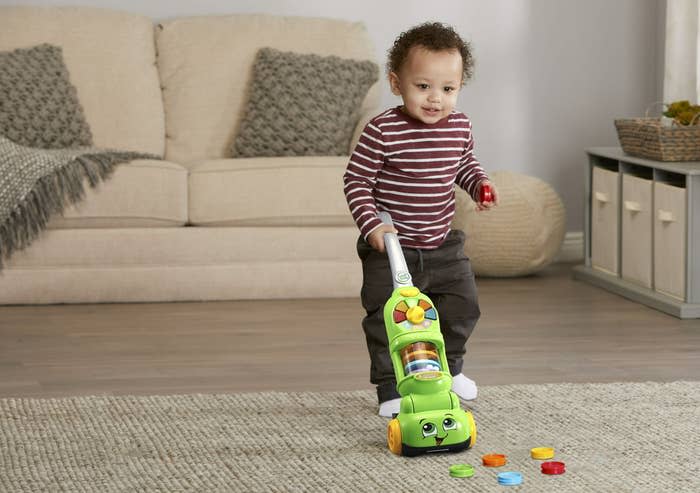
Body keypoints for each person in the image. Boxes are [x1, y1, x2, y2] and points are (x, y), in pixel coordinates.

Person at [343, 21, 498, 417]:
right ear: (397, 83)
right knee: (386, 321)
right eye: (423, 86)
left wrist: (478, 184)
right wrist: (372, 225)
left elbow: (462, 164)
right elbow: (356, 180)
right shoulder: (383, 130)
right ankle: (391, 388)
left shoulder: (459, 127)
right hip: (392, 249)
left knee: (464, 306)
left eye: (448, 89)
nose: (435, 99)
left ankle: (450, 367)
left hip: (441, 245)